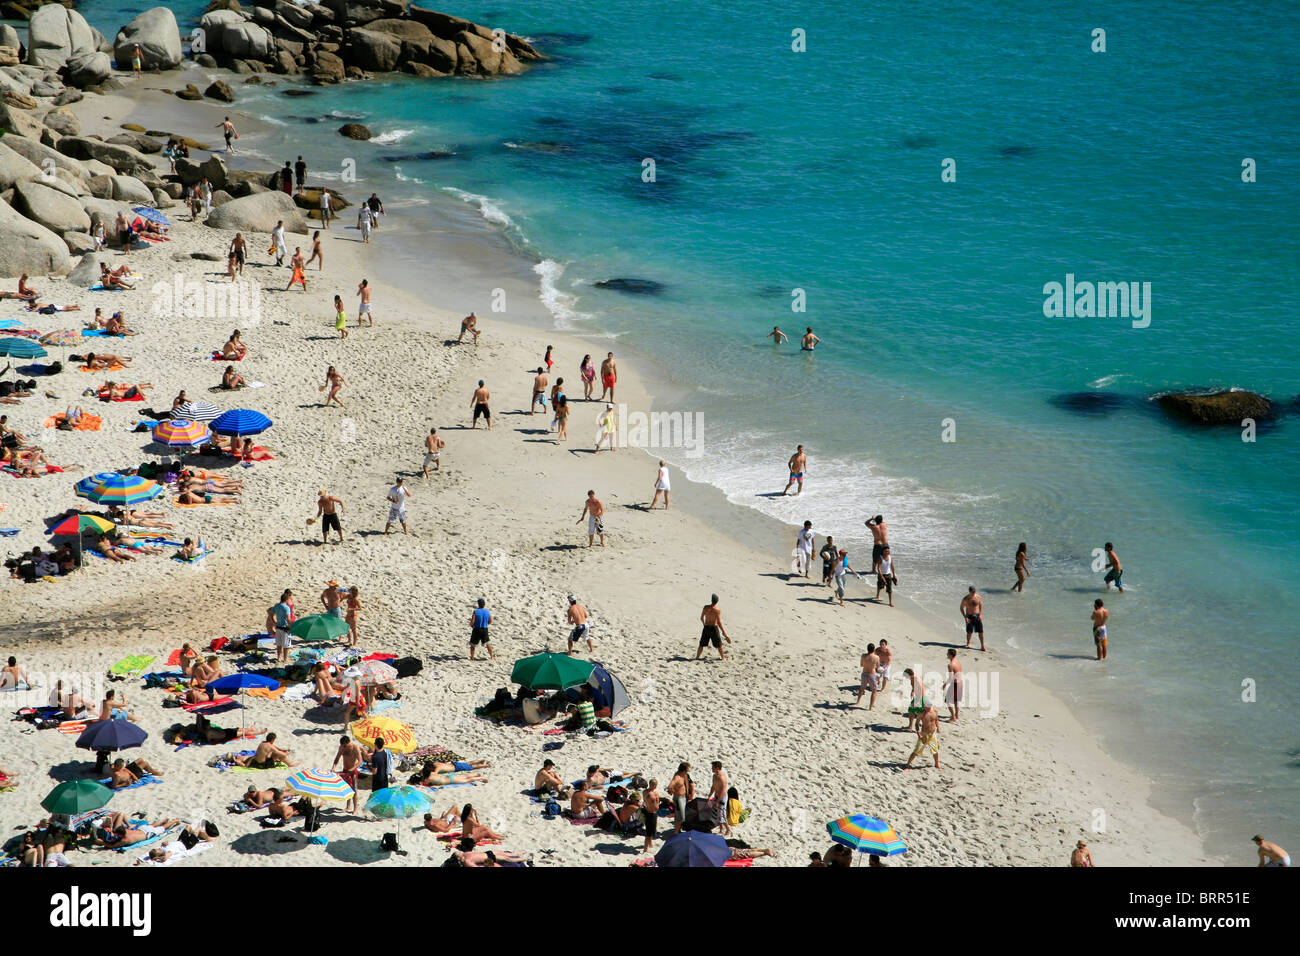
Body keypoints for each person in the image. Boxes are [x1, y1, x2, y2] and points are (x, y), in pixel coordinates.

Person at [332, 736, 365, 812]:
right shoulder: (342, 748)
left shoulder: (355, 748)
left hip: (353, 771)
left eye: (344, 746)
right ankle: (348, 806)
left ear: (348, 743)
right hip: (345, 770)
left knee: (354, 790)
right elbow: (337, 758)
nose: (343, 747)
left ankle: (355, 808)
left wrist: (352, 769)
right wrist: (333, 767)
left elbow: (360, 761)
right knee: (347, 788)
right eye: (342, 746)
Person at [904, 704, 941, 770]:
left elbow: (936, 720)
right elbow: (917, 724)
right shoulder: (921, 713)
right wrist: (919, 734)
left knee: (935, 751)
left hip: (932, 734)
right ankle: (907, 765)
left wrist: (938, 728)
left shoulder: (935, 711)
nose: (926, 708)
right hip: (924, 734)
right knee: (916, 751)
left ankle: (937, 764)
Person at [696, 593, 731, 660]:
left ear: (711, 600)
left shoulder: (706, 607)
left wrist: (704, 624)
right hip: (714, 629)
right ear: (717, 601)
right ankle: (723, 657)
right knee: (719, 644)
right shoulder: (717, 611)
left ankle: (697, 657)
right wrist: (723, 632)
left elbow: (701, 618)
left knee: (702, 644)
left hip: (706, 627)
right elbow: (719, 622)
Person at [667, 763, 694, 834]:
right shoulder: (677, 777)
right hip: (679, 798)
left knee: (679, 816)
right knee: (680, 817)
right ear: (684, 770)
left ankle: (677, 830)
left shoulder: (684, 775)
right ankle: (676, 831)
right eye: (687, 770)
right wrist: (671, 790)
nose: (688, 771)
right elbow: (670, 786)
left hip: (683, 797)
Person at [269, 589, 294, 662]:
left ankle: (279, 658)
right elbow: (288, 619)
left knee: (279, 644)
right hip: (285, 628)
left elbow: (271, 614)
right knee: (286, 645)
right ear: (286, 599)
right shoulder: (286, 607)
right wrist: (292, 626)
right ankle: (285, 659)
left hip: (278, 627)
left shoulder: (277, 605)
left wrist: (274, 622)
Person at [707, 761, 730, 835]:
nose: (711, 769)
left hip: (722, 797)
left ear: (717, 768)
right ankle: (721, 829)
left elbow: (723, 791)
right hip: (716, 795)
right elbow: (713, 786)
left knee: (722, 813)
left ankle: (728, 829)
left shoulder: (722, 778)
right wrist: (710, 795)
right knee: (717, 813)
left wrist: (717, 802)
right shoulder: (714, 776)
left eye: (713, 767)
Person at [855, 643, 881, 708]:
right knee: (874, 691)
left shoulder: (863, 656)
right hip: (872, 674)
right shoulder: (876, 657)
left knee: (862, 688)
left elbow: (861, 665)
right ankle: (870, 707)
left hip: (864, 673)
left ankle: (858, 701)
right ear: (874, 650)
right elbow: (878, 666)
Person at [959, 585, 983, 649]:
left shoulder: (978, 597)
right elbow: (961, 608)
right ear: (969, 592)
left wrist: (980, 614)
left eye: (974, 592)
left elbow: (980, 605)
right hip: (969, 616)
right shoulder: (965, 599)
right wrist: (965, 617)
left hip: (977, 616)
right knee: (969, 632)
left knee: (981, 632)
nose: (973, 593)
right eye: (972, 592)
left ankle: (982, 646)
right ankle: (968, 643)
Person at [904, 668, 928, 732]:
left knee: (921, 714)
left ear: (909, 675)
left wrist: (917, 701)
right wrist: (912, 691)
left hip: (921, 698)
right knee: (911, 710)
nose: (906, 678)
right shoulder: (913, 678)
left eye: (906, 676)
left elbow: (921, 690)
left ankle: (924, 728)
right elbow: (914, 687)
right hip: (918, 697)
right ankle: (910, 726)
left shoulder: (917, 680)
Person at [944, 648, 963, 721]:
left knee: (948, 701)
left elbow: (951, 678)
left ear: (950, 655)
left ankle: (953, 717)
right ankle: (957, 715)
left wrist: (944, 685)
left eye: (947, 653)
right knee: (956, 700)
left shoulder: (950, 665)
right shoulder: (958, 661)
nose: (946, 655)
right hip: (960, 682)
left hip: (955, 684)